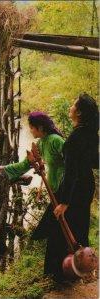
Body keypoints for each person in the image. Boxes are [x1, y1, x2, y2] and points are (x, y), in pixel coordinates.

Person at [0, 111, 65, 280]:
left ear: (40, 127)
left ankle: (62, 271)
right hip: (54, 191)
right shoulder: (40, 144)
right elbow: (24, 165)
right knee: (55, 230)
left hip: (64, 190)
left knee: (54, 230)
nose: (30, 131)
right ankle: (57, 271)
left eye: (31, 127)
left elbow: (72, 162)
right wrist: (2, 169)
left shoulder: (56, 141)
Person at [54, 93, 99, 277]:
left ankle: (65, 272)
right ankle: (81, 267)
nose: (70, 107)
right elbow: (94, 161)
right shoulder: (90, 133)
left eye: (73, 104)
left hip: (76, 187)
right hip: (87, 184)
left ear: (79, 112)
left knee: (65, 226)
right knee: (80, 225)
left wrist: (64, 202)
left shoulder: (74, 138)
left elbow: (71, 173)